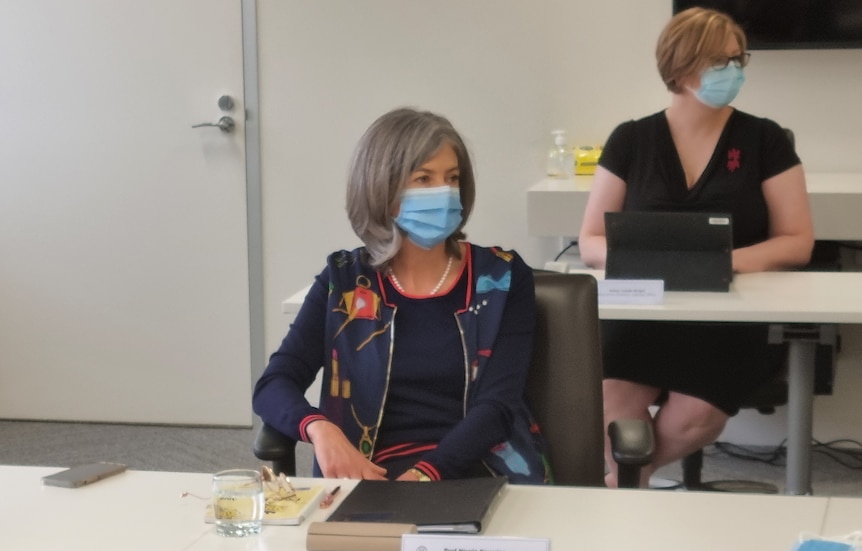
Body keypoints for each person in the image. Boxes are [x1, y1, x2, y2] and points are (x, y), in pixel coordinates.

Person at [578, 8, 814, 487]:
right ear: (680, 67)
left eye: (738, 59)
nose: (734, 72)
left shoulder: (764, 139)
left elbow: (797, 241)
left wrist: (721, 264)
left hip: (727, 314)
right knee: (613, 407)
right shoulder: (631, 139)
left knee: (696, 417)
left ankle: (624, 485)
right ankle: (628, 492)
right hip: (644, 310)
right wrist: (660, 266)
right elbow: (590, 242)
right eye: (719, 62)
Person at [253, 107, 548, 484]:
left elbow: (498, 407)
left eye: (452, 178)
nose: (443, 194)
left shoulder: (502, 278)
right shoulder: (344, 282)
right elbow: (274, 383)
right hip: (368, 476)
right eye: (423, 179)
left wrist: (423, 477)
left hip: (478, 469)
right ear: (381, 188)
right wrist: (318, 428)